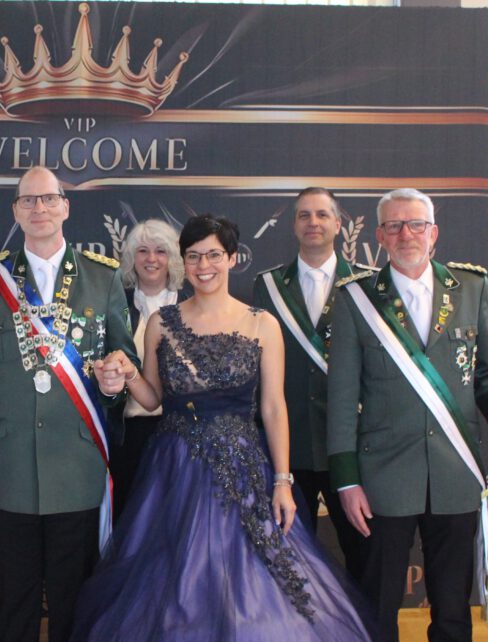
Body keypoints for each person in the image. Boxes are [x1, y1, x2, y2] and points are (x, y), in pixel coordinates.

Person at [73, 215, 376, 641]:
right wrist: (127, 373)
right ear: (183, 262)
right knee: (172, 582)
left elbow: (273, 407)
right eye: (194, 256)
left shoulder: (262, 323)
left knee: (263, 584)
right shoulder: (161, 322)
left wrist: (283, 482)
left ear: (232, 258)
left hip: (244, 467)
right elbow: (152, 398)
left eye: (214, 255)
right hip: (174, 469)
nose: (204, 266)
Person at [326, 188, 488, 642]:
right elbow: (341, 398)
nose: (406, 234)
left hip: (454, 470)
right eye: (394, 225)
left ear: (433, 233)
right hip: (383, 476)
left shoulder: (470, 288)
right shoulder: (357, 298)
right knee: (378, 604)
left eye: (416, 224)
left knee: (453, 607)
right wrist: (346, 480)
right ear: (380, 236)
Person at [0, 166, 137, 642]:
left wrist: (114, 384)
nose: (39, 208)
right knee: (12, 603)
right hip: (7, 473)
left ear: (65, 207)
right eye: (28, 200)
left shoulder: (102, 276)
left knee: (73, 603)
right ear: (16, 211)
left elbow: (125, 359)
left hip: (77, 469)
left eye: (49, 199)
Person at [252, 187, 363, 577]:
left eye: (321, 214)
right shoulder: (267, 286)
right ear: (294, 225)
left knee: (363, 556)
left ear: (339, 223)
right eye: (304, 215)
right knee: (291, 563)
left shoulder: (366, 284)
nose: (313, 222)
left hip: (350, 448)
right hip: (290, 445)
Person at [109, 218, 185, 517]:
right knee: (131, 518)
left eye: (160, 251)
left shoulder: (193, 305)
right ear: (131, 258)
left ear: (173, 258)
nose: (151, 259)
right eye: (142, 251)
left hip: (182, 433)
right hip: (130, 436)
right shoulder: (115, 307)